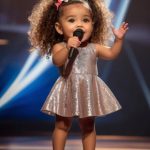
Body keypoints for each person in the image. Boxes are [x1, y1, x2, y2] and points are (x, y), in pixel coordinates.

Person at [28, 0, 128, 149]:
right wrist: (68, 47)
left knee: (88, 126)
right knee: (62, 125)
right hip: (67, 87)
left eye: (85, 20)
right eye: (72, 20)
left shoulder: (94, 47)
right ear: (59, 28)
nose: (79, 25)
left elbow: (112, 53)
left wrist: (119, 40)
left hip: (88, 89)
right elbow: (57, 60)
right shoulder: (60, 46)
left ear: (93, 25)